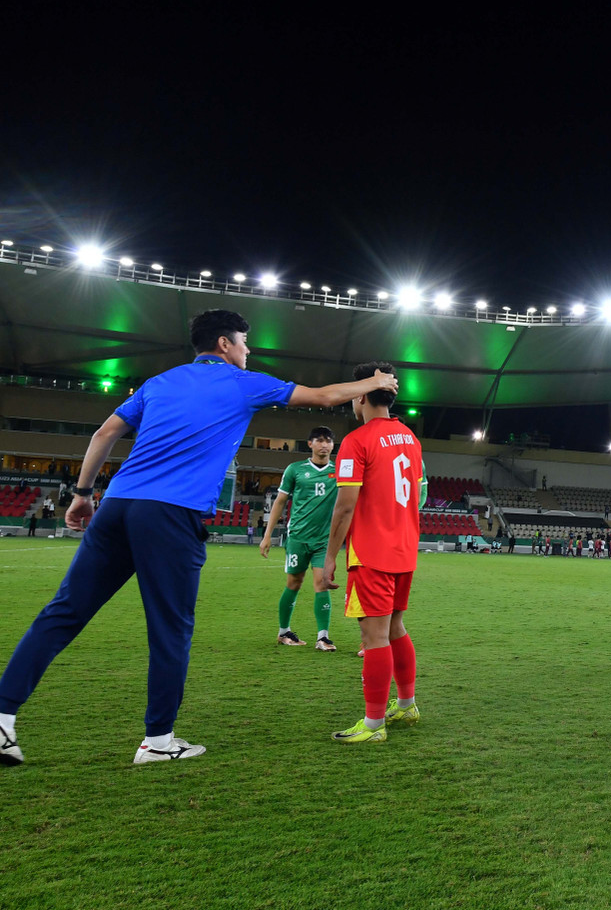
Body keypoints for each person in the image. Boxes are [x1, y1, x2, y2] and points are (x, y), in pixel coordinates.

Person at [0, 310, 396, 767]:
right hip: (171, 515)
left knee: (64, 611)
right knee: (170, 630)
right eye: (245, 342)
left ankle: (4, 719)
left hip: (117, 505)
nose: (249, 351)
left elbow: (105, 432)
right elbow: (326, 397)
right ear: (225, 344)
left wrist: (83, 494)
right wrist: (374, 382)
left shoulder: (159, 382)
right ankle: (158, 741)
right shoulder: (241, 382)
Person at [324, 362, 426, 745]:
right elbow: (415, 496)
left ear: (361, 394)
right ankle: (407, 703)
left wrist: (330, 555)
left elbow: (345, 506)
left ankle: (372, 725)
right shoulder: (410, 438)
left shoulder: (357, 440)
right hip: (404, 549)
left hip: (372, 552)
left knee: (374, 636)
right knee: (395, 627)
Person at [260, 427, 340, 651]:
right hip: (298, 537)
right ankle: (284, 631)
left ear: (333, 445)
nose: (324, 445)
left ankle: (323, 637)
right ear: (310, 444)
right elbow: (280, 502)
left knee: (321, 583)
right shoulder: (295, 469)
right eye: (320, 441)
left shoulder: (340, 471)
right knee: (293, 583)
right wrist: (267, 536)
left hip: (324, 540)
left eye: (328, 441)